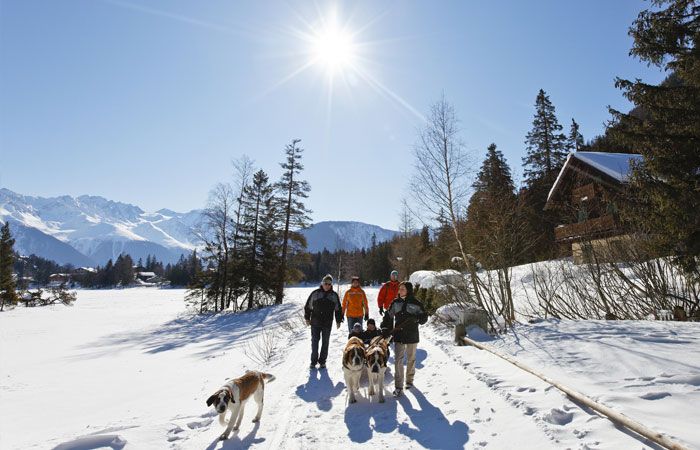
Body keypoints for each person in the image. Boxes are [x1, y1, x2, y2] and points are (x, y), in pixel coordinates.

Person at [380, 281, 428, 397]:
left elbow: (424, 317)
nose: (399, 291)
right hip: (399, 335)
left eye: (402, 289)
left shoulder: (416, 303)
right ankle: (398, 386)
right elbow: (388, 316)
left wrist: (417, 318)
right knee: (398, 361)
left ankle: (409, 381)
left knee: (411, 359)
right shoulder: (395, 303)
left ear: (408, 290)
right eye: (399, 289)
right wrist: (385, 327)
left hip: (412, 335)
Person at [304, 274, 343, 369]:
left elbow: (338, 309)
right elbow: (308, 306)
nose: (327, 285)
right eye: (325, 283)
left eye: (329, 284)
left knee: (325, 342)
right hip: (315, 322)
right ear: (322, 283)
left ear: (331, 285)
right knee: (314, 342)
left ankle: (322, 361)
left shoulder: (334, 295)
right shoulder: (315, 293)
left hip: (327, 323)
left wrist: (338, 321)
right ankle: (313, 362)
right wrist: (307, 318)